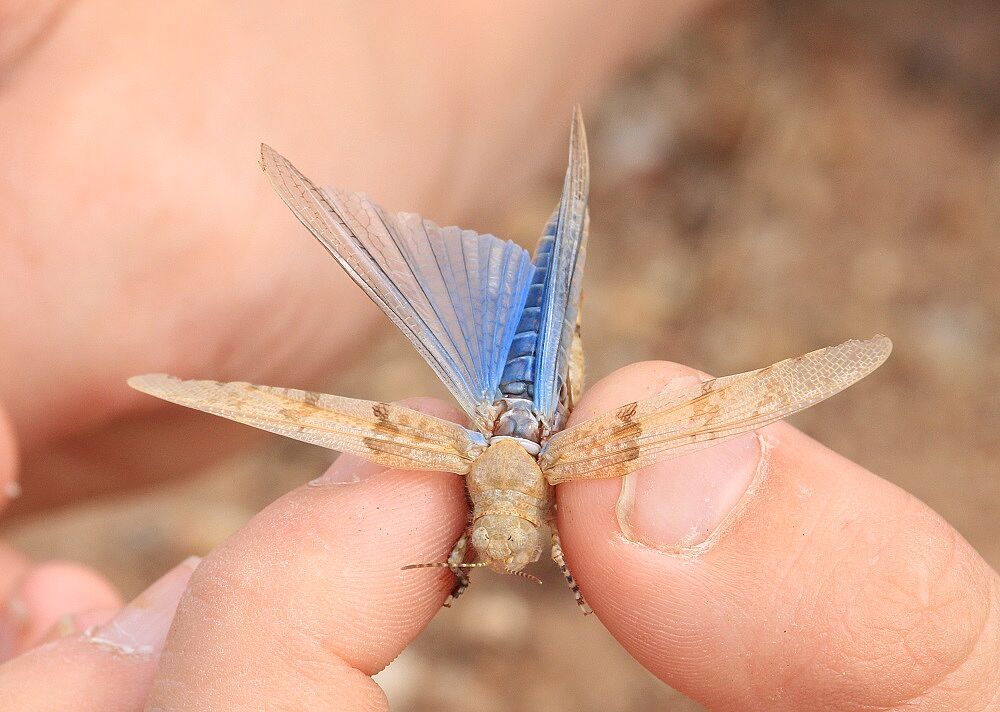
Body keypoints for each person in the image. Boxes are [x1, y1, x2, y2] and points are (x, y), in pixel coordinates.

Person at [0, 3, 997, 710]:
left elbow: (292, 407)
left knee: (563, 229)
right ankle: (559, 162)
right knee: (567, 232)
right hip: (509, 391)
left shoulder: (515, 464)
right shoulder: (581, 461)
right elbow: (289, 406)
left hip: (476, 385)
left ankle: (554, 162)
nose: (497, 518)